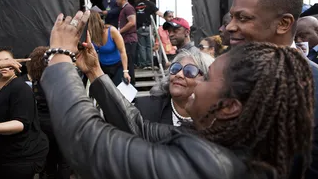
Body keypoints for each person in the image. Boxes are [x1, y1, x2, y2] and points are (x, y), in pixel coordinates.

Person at [40, 10, 313, 179]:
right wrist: (95, 72)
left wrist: (60, 56)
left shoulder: (213, 167)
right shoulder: (223, 139)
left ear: (229, 106)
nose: (185, 77)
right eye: (176, 68)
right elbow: (137, 126)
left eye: (205, 77)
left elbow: (86, 142)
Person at [226, 0, 318, 179]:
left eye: (243, 18)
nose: (230, 26)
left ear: (284, 23)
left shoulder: (315, 85)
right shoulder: (220, 74)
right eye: (232, 16)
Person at [0, 47, 49, 179]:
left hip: (21, 157)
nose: (4, 65)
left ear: (15, 63)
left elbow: (21, 123)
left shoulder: (19, 88)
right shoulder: (0, 87)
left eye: (7, 61)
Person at [135, 50, 214, 126]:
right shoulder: (145, 108)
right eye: (176, 68)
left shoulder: (216, 119)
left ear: (206, 80)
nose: (178, 74)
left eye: (189, 71)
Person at [26, 46, 71, 179]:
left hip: (42, 124)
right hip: (60, 122)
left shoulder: (34, 82)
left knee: (48, 161)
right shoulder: (58, 81)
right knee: (64, 162)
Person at [89, 11, 131, 85]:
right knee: (107, 92)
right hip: (103, 67)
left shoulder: (112, 31)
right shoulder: (91, 35)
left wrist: (125, 71)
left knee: (118, 91)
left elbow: (122, 51)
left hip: (117, 66)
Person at [135, 0, 163, 69]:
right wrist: (168, 18)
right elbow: (158, 13)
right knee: (149, 46)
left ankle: (143, 64)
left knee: (141, 46)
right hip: (148, 28)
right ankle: (150, 64)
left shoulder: (136, 4)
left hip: (139, 28)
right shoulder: (150, 4)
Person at [117, 0, 137, 85]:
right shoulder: (125, 9)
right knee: (127, 64)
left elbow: (132, 22)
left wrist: (119, 32)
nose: (116, 1)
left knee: (128, 64)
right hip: (126, 39)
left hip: (129, 40)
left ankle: (131, 86)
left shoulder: (128, 8)